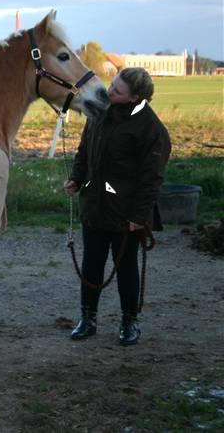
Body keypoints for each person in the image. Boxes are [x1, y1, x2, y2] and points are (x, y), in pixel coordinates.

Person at [63, 67, 171, 346]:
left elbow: (152, 179)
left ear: (135, 97)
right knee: (91, 265)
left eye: (118, 91)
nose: (110, 91)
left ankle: (129, 322)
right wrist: (76, 178)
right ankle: (87, 319)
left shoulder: (151, 129)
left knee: (126, 268)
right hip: (94, 206)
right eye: (112, 85)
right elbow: (84, 150)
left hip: (126, 214)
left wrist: (139, 216)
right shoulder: (99, 113)